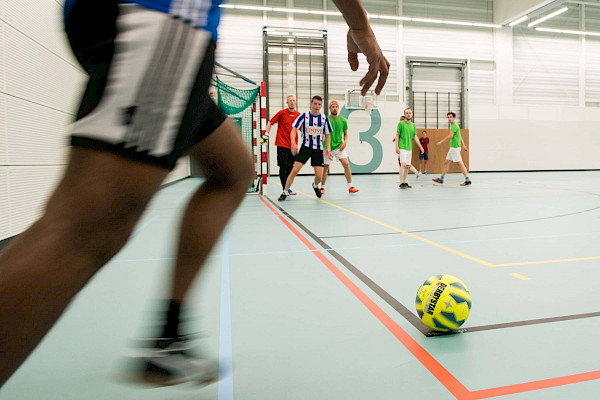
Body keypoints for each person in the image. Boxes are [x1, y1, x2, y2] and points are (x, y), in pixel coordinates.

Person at [0, 0, 390, 389]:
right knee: (87, 228)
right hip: (164, 18)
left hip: (158, 30)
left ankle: (169, 336)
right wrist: (360, 25)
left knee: (232, 173)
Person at [278, 96, 332, 201]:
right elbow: (293, 129)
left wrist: (328, 148)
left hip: (318, 149)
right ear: (311, 104)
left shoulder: (324, 118)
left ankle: (315, 185)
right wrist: (293, 143)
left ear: (321, 105)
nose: (317, 106)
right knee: (294, 170)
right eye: (315, 104)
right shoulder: (304, 116)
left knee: (319, 176)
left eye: (319, 104)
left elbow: (328, 134)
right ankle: (284, 192)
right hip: (305, 148)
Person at [264, 95, 300, 195]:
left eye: (293, 100)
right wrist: (266, 134)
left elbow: (303, 129)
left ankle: (287, 188)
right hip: (282, 144)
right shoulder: (282, 113)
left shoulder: (298, 115)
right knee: (283, 167)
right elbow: (270, 122)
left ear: (296, 102)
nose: (292, 102)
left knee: (291, 168)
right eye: (290, 101)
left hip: (293, 146)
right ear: (287, 103)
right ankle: (285, 188)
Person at [320, 101, 359, 194]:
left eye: (336, 107)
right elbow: (323, 134)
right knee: (325, 167)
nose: (334, 108)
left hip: (339, 147)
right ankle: (322, 187)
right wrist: (326, 147)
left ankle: (351, 186)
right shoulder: (326, 120)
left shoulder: (343, 120)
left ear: (338, 108)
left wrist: (345, 142)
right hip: (328, 147)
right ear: (329, 108)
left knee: (346, 164)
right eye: (332, 106)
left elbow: (346, 134)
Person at [432, 112, 471, 186]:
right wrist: (464, 145)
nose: (449, 119)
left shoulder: (454, 126)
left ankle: (467, 180)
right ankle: (441, 179)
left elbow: (450, 136)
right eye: (448, 117)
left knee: (460, 163)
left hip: (454, 148)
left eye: (451, 117)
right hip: (453, 148)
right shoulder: (455, 126)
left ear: (454, 118)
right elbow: (460, 136)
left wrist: (441, 142)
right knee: (446, 163)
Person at [394, 108, 424, 189]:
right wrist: (396, 146)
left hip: (409, 147)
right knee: (403, 164)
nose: (408, 114)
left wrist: (420, 147)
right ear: (405, 114)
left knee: (407, 166)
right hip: (402, 147)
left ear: (412, 114)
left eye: (410, 113)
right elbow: (397, 135)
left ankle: (404, 182)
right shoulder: (401, 124)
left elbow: (415, 136)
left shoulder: (412, 125)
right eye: (407, 113)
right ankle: (401, 183)